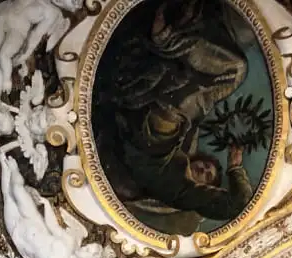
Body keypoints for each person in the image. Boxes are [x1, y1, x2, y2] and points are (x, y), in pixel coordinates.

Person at [93, 0, 253, 235]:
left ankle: (167, 39)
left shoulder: (179, 193)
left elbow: (239, 204)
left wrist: (235, 168)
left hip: (156, 134)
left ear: (204, 190)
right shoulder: (185, 151)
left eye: (207, 177)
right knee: (231, 71)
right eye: (209, 167)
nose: (204, 170)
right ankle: (173, 35)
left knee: (236, 69)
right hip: (166, 124)